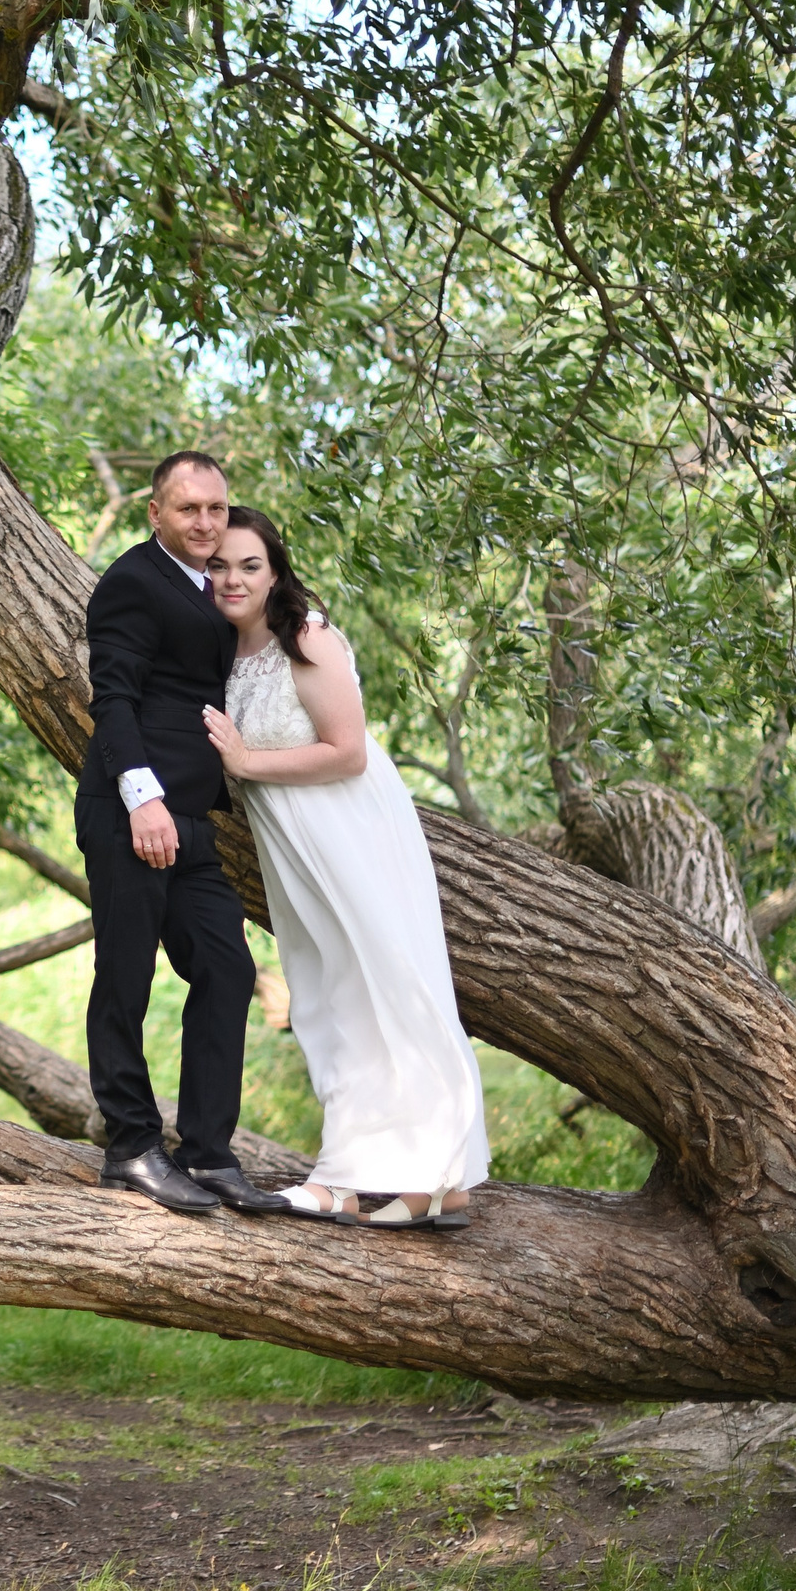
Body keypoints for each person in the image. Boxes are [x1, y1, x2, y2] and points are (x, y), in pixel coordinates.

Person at [200, 505, 490, 1230]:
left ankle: (391, 1179)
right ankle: (414, 1181)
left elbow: (349, 750)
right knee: (326, 998)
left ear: (276, 571)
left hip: (350, 835)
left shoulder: (308, 637)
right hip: (291, 847)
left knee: (380, 991)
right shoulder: (220, 650)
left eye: (249, 564)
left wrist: (244, 761)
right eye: (218, 565)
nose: (232, 578)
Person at [78, 452, 291, 1217]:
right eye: (188, 509)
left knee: (228, 970)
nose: (205, 522)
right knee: (126, 978)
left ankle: (207, 1151)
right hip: (133, 811)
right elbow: (114, 697)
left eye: (216, 509)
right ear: (156, 513)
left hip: (194, 824)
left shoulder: (215, 582)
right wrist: (143, 799)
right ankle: (131, 1147)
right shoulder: (135, 581)